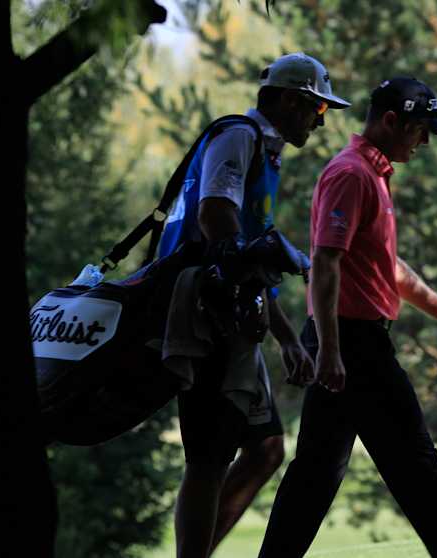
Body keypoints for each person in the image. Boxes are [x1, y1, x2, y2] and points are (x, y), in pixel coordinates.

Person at [257, 77, 437, 558]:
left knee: (316, 475)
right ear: (391, 121)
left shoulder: (373, 175)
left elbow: (389, 269)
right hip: (353, 344)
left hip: (350, 342)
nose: (425, 142)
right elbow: (325, 262)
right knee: (416, 465)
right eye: (420, 130)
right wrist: (331, 351)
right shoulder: (351, 174)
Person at [157, 53, 350, 558]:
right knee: (209, 456)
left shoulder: (265, 153)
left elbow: (251, 249)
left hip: (237, 310)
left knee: (265, 449)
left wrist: (286, 337)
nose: (320, 121)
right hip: (205, 312)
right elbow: (216, 216)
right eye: (318, 108)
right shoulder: (239, 136)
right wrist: (257, 268)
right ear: (290, 100)